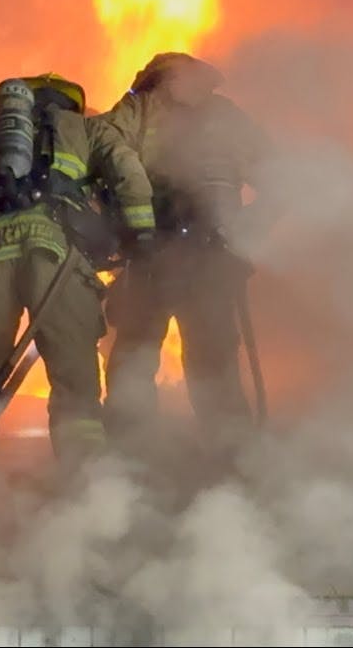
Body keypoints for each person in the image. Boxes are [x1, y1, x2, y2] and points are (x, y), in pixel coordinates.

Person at [0, 73, 155, 471]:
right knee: (72, 367)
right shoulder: (87, 127)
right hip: (55, 256)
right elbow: (126, 170)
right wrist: (142, 233)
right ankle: (84, 473)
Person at [97, 52, 273, 465]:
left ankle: (128, 461)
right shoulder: (228, 115)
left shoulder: (139, 108)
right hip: (211, 259)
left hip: (149, 255)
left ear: (153, 78)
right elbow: (280, 177)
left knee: (135, 354)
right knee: (213, 360)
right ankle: (235, 462)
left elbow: (101, 155)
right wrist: (243, 234)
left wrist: (113, 230)